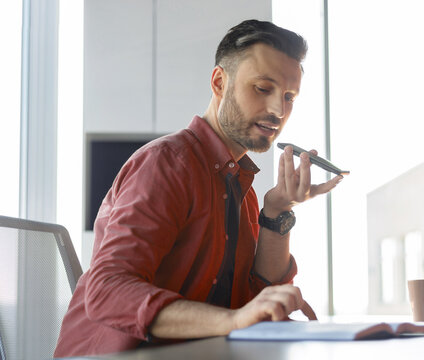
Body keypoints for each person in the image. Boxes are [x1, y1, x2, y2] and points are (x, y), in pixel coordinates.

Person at [54, 19, 344, 357]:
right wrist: (234, 321)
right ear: (220, 82)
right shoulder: (166, 164)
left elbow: (253, 306)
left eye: (289, 96)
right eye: (263, 88)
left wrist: (277, 211)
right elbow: (107, 290)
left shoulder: (240, 187)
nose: (278, 110)